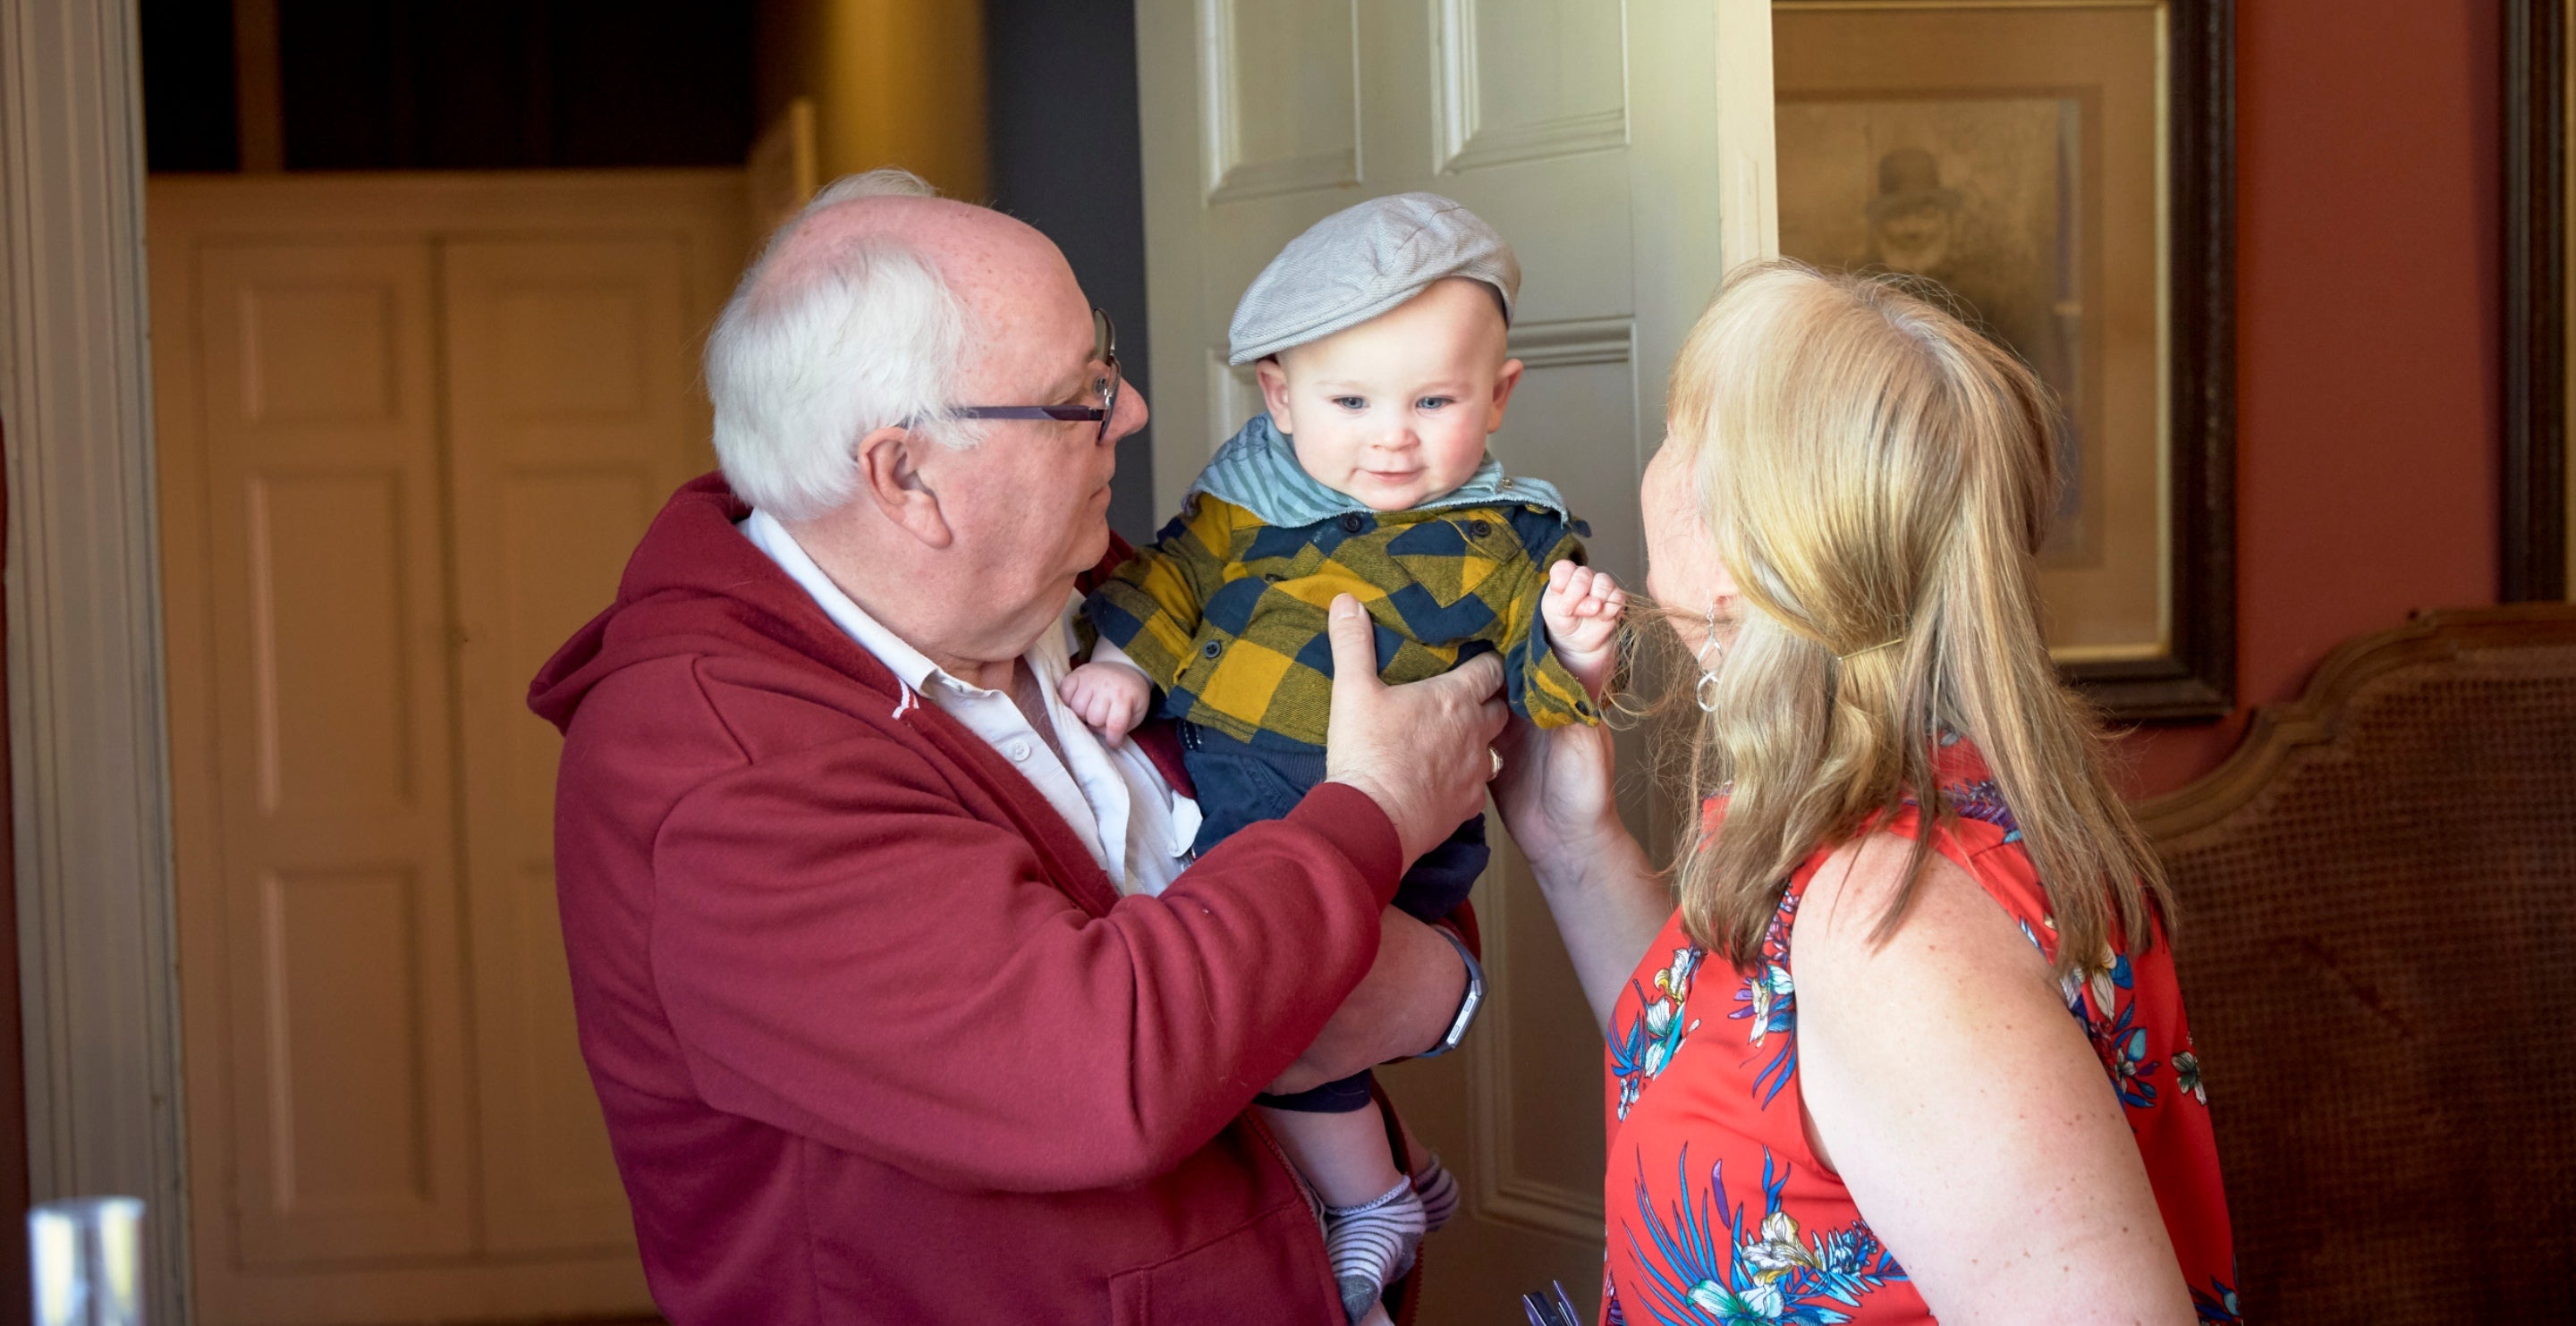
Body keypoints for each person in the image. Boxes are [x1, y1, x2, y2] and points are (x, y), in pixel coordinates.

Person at [527, 169, 1509, 1325]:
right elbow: (1109, 1068)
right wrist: (1371, 825)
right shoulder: (717, 767)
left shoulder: (1093, 601)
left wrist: (1427, 969)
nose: (1132, 410)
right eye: (1080, 392)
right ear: (907, 477)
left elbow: (1359, 879)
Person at [1488, 261, 2236, 1323]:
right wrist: (1572, 840)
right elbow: (1729, 1085)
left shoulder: (1898, 932)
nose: (1654, 461)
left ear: (1736, 557)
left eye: (1676, 429)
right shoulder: (1853, 805)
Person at [1067, 194, 1626, 1324]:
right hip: (1235, 794)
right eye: (1352, 401)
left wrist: (1576, 651)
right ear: (1279, 396)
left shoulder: (1511, 530)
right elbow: (1168, 578)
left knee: (1291, 1005)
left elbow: (1533, 683)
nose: (1394, 436)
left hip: (1405, 838)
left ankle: (1370, 1198)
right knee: (1260, 994)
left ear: (1500, 396)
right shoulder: (1240, 501)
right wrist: (1128, 656)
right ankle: (1385, 1174)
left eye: (1435, 400)